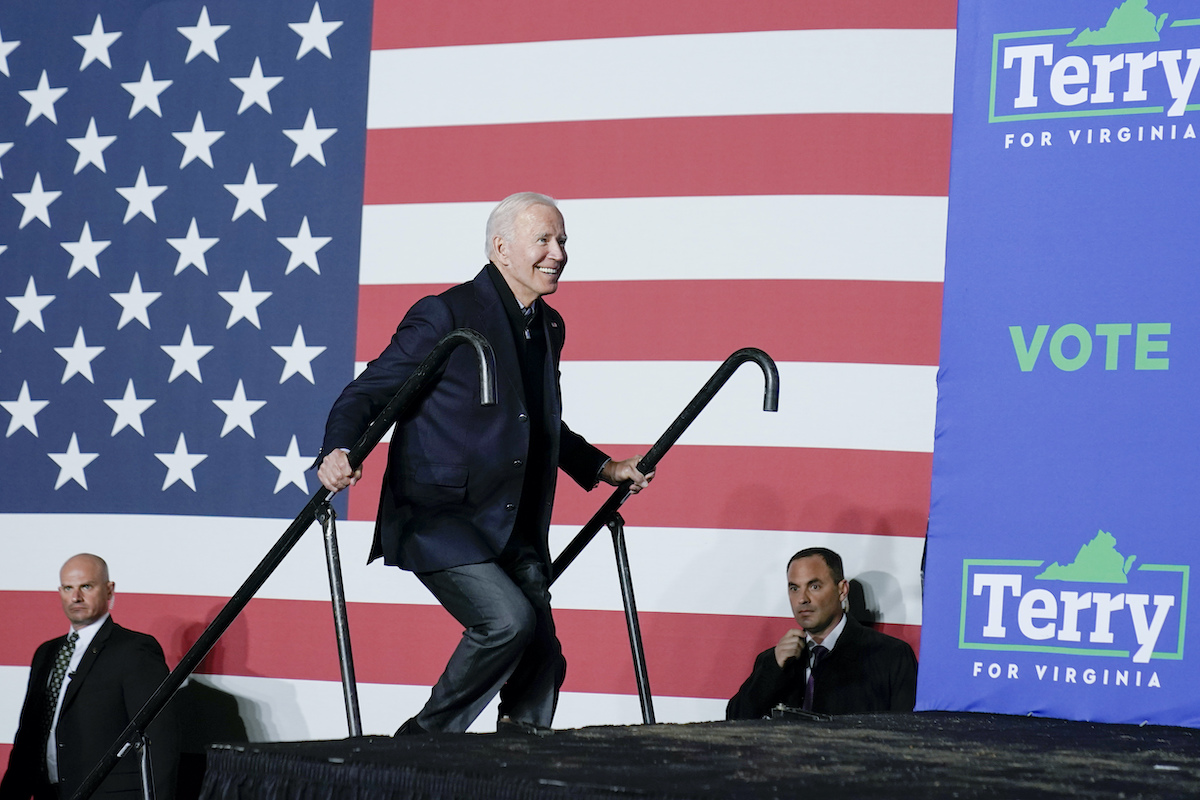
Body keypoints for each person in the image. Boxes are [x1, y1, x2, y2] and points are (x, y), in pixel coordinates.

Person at [317, 191, 653, 734]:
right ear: (501, 248)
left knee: (543, 660)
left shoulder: (549, 325)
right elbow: (367, 392)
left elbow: (538, 423)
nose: (559, 252)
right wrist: (338, 451)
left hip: (512, 526)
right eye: (543, 239)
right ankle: (420, 747)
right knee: (508, 622)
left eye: (562, 240)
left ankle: (516, 767)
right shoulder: (445, 314)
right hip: (441, 517)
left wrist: (601, 467)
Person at [0, 554, 179, 800]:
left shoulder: (134, 650)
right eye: (68, 588)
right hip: (48, 793)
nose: (76, 597)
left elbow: (159, 740)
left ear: (109, 590)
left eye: (86, 586)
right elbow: (29, 734)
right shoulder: (46, 652)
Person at [726, 547, 917, 719]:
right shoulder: (773, 661)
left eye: (814, 586)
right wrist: (772, 668)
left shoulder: (891, 656)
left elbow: (908, 734)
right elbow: (734, 722)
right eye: (794, 588)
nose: (802, 599)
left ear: (842, 590)